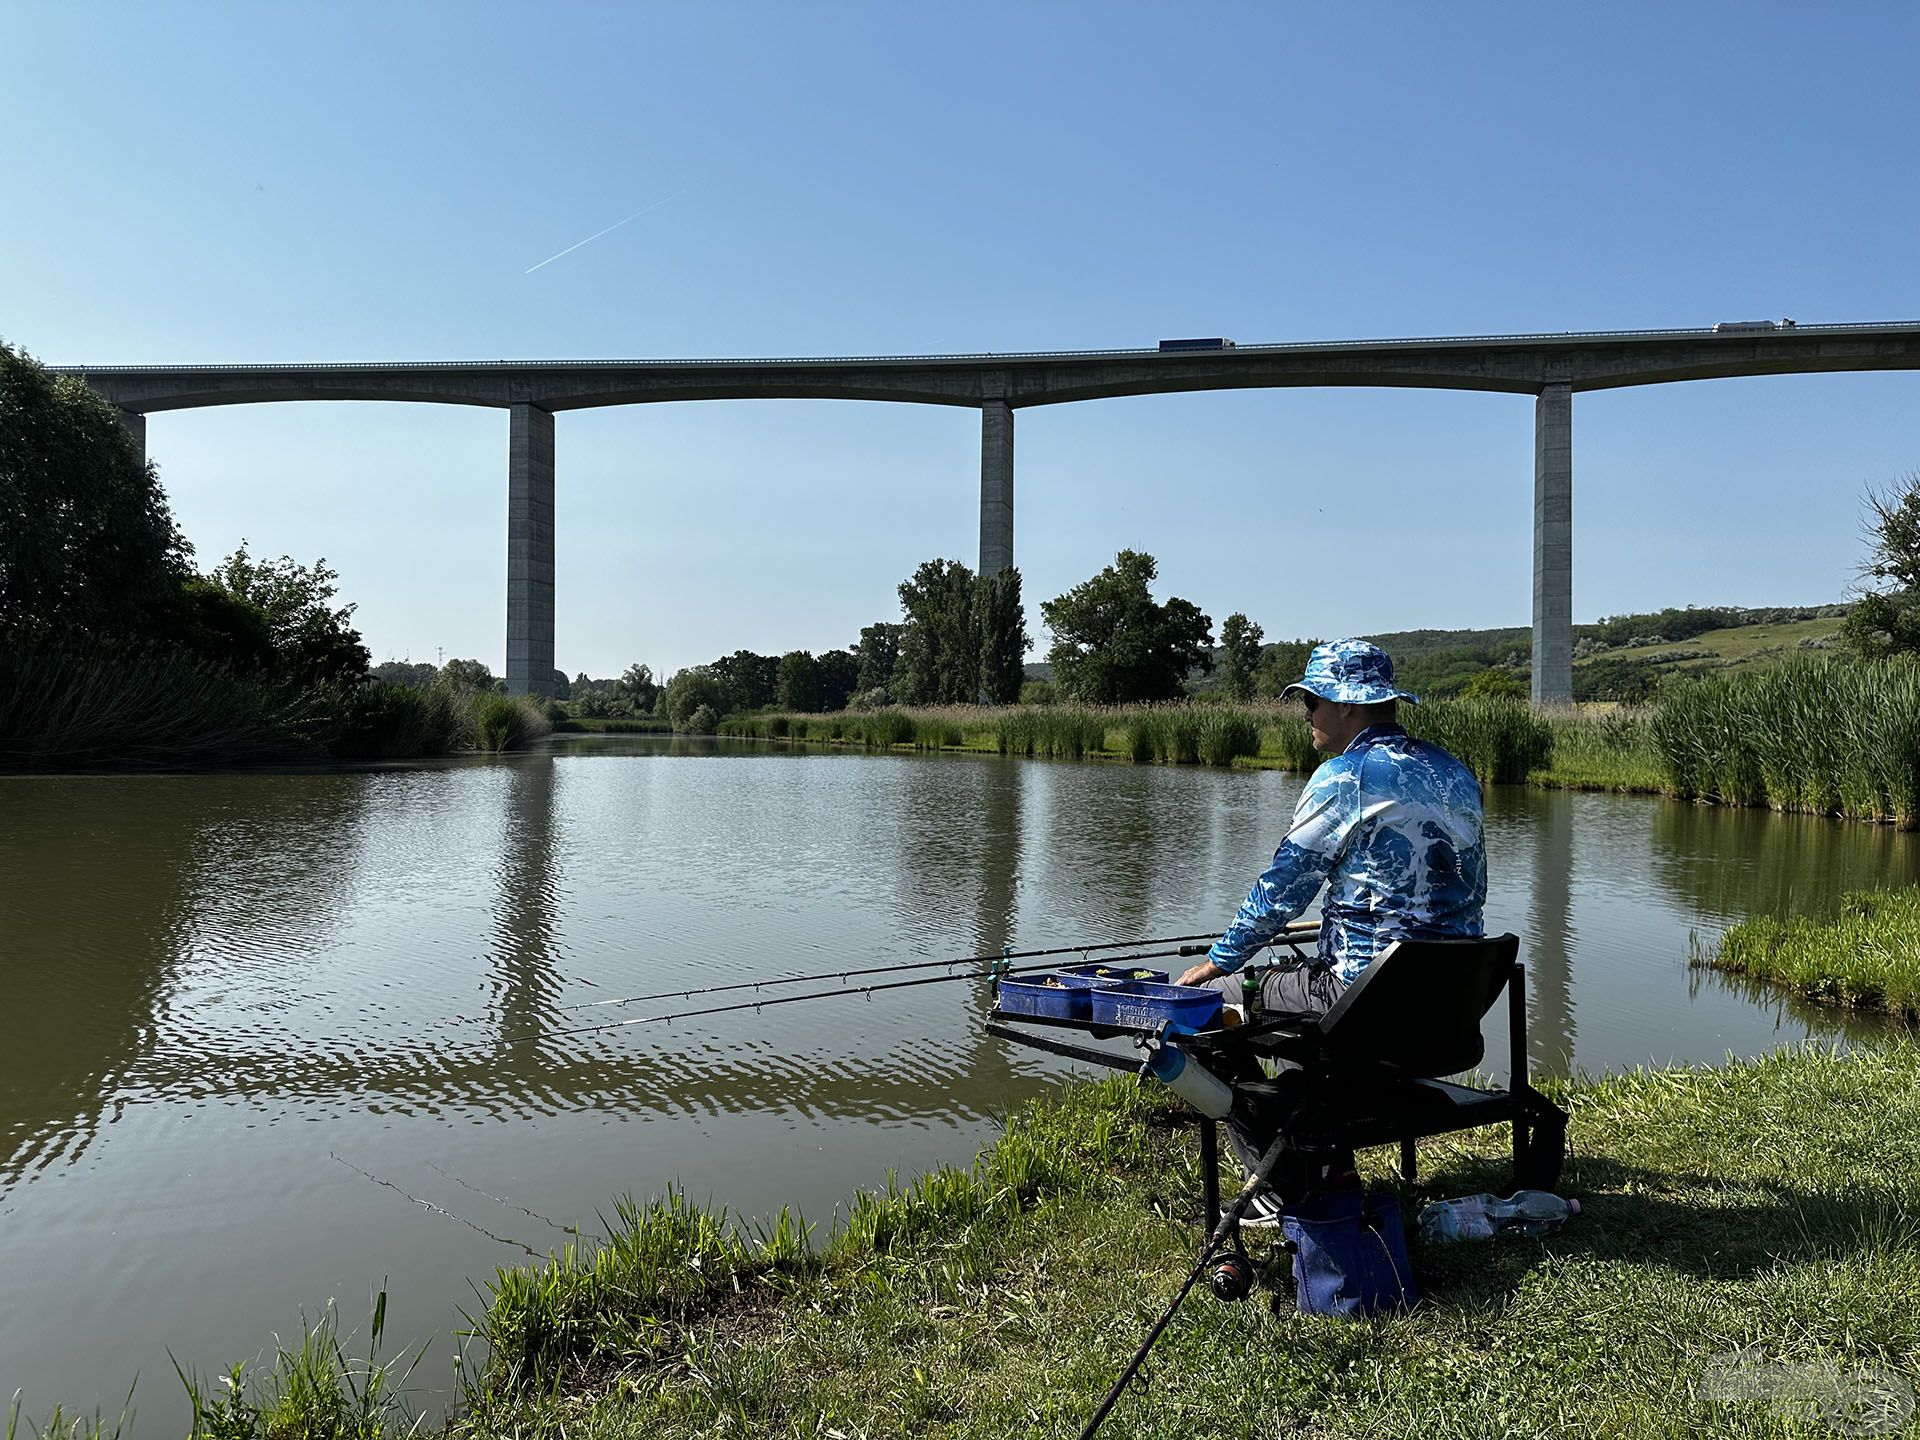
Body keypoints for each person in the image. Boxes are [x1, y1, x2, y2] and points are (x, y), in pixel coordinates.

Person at [1174, 639, 1487, 1213]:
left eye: (1312, 702)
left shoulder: (1347, 776)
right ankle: (1313, 1135)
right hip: (1449, 1002)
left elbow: (1282, 889)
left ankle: (1284, 1180)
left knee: (1197, 1008)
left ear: (1346, 705)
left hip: (1364, 1003)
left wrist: (1221, 960)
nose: (1308, 715)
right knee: (1290, 994)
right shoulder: (1454, 771)